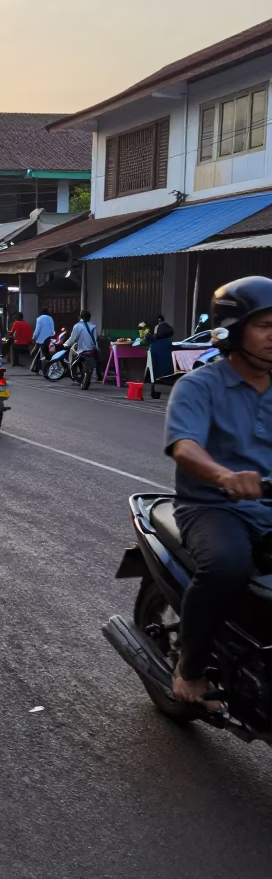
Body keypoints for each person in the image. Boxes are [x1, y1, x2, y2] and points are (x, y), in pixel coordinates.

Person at [164, 277, 272, 706]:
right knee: (226, 566)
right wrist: (224, 476)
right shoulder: (199, 385)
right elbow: (184, 445)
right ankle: (190, 667)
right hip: (212, 506)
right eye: (265, 325)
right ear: (232, 329)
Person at [65, 309, 100, 378]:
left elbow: (73, 339)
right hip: (92, 350)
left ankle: (72, 373)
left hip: (81, 350)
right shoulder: (93, 326)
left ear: (80, 317)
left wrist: (65, 344)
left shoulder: (77, 326)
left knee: (71, 354)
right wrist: (97, 348)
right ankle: (95, 374)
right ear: (89, 318)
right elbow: (95, 339)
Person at [31, 309, 56, 375]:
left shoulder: (39, 319)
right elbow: (52, 330)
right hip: (48, 340)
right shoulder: (50, 318)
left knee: (35, 353)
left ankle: (37, 368)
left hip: (40, 340)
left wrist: (34, 337)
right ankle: (46, 369)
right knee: (46, 355)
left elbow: (37, 330)